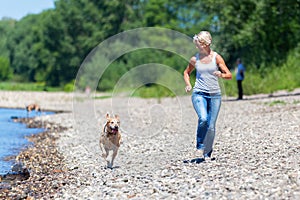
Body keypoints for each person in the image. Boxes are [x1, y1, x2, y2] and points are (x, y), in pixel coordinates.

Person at [183, 31, 232, 160]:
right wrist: (188, 84)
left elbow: (229, 74)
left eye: (198, 44)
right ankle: (200, 144)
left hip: (215, 95)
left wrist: (221, 74)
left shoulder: (217, 57)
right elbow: (186, 72)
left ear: (206, 44)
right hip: (199, 93)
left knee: (211, 126)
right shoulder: (195, 59)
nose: (197, 47)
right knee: (203, 118)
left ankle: (207, 152)